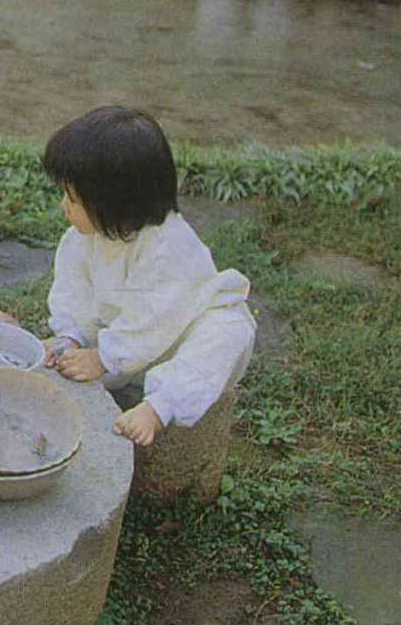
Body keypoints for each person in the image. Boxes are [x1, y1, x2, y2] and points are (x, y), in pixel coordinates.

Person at [41, 106, 256, 446]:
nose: (63, 206)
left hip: (177, 338)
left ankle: (160, 405)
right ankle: (105, 363)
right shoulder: (84, 237)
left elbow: (156, 316)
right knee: (79, 356)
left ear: (114, 202)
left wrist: (105, 358)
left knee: (227, 330)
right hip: (127, 343)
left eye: (73, 198)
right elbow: (74, 291)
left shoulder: (169, 246)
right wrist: (71, 336)